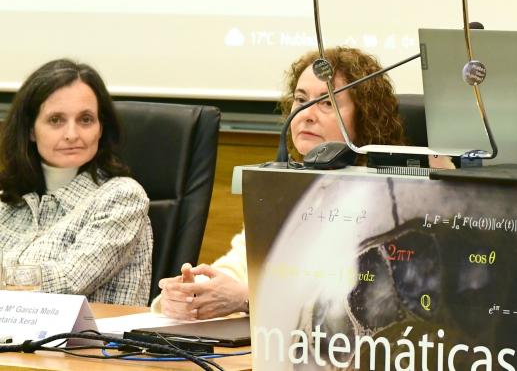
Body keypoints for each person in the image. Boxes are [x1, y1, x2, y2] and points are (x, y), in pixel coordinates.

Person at [153, 46, 406, 319]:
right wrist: (191, 292)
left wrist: (246, 299)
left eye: (327, 103)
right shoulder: (288, 183)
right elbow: (242, 265)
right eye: (301, 99)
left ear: (365, 116)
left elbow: (355, 301)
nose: (307, 114)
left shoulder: (391, 195)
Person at [0, 59, 152, 306]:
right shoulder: (7, 200)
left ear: (100, 128)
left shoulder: (122, 197)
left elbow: (69, 281)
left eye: (85, 119)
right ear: (30, 130)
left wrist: (5, 279)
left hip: (89, 332)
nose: (72, 134)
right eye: (56, 120)